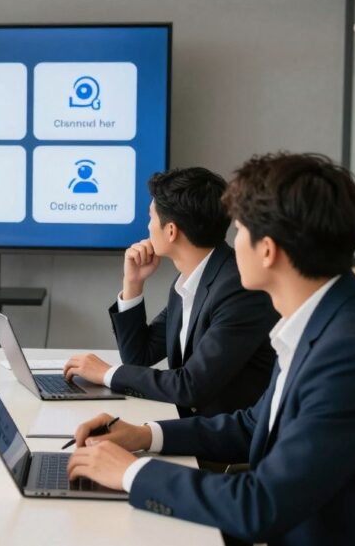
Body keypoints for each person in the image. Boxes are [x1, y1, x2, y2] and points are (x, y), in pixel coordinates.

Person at [66, 153, 355, 545]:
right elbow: (253, 425)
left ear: (267, 250)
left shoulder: (353, 354)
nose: (231, 244)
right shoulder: (324, 319)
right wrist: (142, 435)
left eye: (238, 231)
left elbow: (261, 506)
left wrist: (130, 473)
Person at [64, 167, 277, 417]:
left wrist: (107, 373)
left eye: (151, 218)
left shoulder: (238, 290)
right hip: (193, 428)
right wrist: (132, 283)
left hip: (224, 444)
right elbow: (139, 356)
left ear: (171, 230)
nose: (148, 226)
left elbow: (191, 386)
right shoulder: (192, 280)